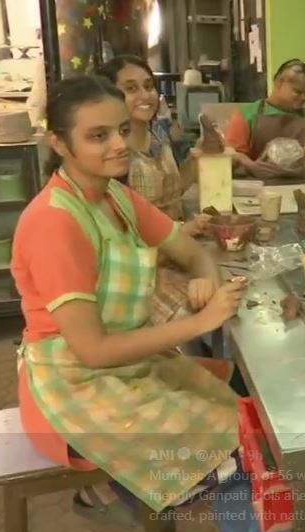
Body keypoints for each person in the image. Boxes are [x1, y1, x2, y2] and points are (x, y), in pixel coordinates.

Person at [11, 75, 247, 525]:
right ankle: (119, 492)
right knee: (237, 453)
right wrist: (202, 322)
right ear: (58, 143)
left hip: (125, 365)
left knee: (243, 415)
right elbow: (92, 350)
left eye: (121, 130)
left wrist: (207, 281)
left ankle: (143, 495)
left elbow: (193, 251)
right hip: (74, 385)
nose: (119, 144)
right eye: (98, 136)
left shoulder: (115, 196)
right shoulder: (53, 222)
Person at [98, 56, 213, 328]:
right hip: (143, 269)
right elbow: (120, 237)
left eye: (148, 86)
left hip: (177, 249)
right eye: (131, 88)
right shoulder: (114, 155)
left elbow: (174, 187)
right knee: (202, 315)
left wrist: (200, 158)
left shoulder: (159, 135)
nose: (145, 95)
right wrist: (180, 233)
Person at [224, 58, 305, 179]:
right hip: (258, 185)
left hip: (303, 184)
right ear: (279, 83)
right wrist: (251, 166)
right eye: (297, 92)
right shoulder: (247, 114)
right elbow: (232, 153)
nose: (303, 98)